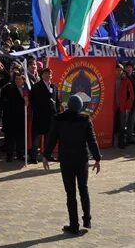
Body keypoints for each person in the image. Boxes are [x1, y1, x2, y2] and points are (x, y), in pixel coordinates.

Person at [43, 94, 101, 235]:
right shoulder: (85, 119)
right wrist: (97, 158)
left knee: (70, 193)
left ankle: (74, 225)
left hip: (66, 160)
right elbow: (92, 141)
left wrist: (45, 156)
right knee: (83, 189)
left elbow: (52, 139)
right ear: (80, 106)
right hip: (81, 159)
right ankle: (87, 219)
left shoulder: (59, 119)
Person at [30, 68, 58, 163]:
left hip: (51, 117)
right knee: (36, 138)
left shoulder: (54, 87)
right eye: (45, 74)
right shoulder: (36, 86)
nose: (48, 76)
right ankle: (33, 157)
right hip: (39, 116)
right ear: (42, 75)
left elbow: (57, 101)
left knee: (49, 138)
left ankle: (47, 155)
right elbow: (32, 101)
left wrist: (57, 111)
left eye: (49, 74)